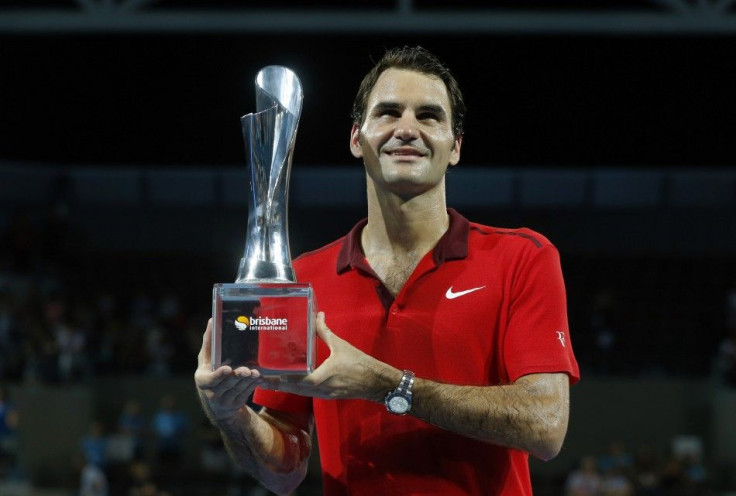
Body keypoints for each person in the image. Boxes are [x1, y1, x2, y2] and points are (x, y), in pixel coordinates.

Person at [195, 45, 580, 495]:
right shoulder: (302, 279)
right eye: (389, 112)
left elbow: (546, 425)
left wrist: (389, 386)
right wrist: (231, 415)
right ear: (357, 137)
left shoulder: (522, 258)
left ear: (455, 147)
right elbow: (285, 469)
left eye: (430, 116)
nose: (407, 129)